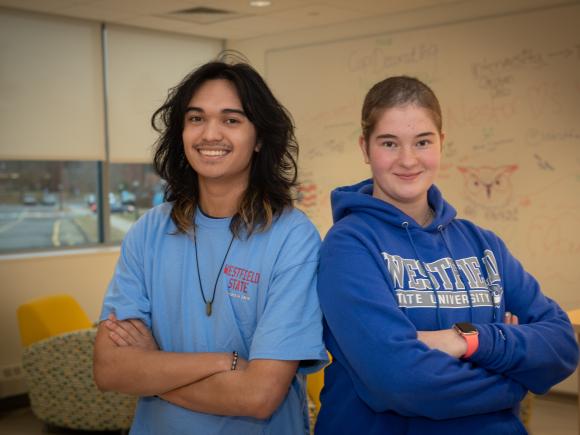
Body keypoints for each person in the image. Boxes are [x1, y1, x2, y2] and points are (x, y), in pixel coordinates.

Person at [315, 76, 578, 435]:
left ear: (442, 143)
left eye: (422, 141)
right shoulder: (348, 246)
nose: (408, 160)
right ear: (365, 148)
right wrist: (516, 380)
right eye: (389, 143)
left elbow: (562, 346)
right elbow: (398, 381)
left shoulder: (483, 244)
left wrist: (468, 339)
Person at [93, 56, 328, 435]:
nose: (209, 135)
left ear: (260, 138)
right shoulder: (148, 232)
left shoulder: (292, 238)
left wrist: (153, 368)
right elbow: (109, 369)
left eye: (231, 120)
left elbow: (259, 396)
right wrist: (227, 362)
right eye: (196, 118)